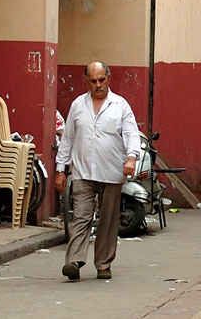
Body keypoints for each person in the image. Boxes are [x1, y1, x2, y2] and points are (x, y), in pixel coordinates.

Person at [55, 61, 141, 282]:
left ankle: (103, 264)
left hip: (112, 171)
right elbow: (68, 139)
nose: (98, 85)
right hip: (83, 170)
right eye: (93, 81)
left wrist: (131, 158)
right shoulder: (77, 105)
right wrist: (60, 170)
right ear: (87, 81)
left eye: (101, 80)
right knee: (81, 216)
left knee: (108, 220)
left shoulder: (120, 105)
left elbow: (132, 134)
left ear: (108, 78)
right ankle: (73, 261)